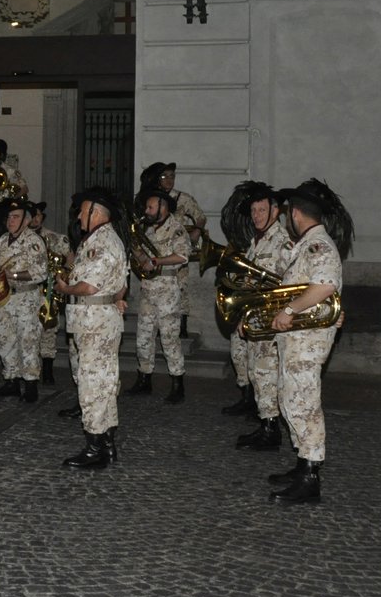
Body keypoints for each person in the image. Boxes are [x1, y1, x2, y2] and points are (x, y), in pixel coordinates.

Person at [265, 179, 351, 505]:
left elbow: (325, 286)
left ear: (297, 213)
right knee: (291, 400)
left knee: (305, 404)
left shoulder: (318, 245)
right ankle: (302, 465)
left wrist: (288, 309)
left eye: (289, 213)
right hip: (297, 339)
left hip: (307, 340)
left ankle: (310, 478)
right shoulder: (305, 245)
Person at [56, 188, 130, 468]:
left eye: (81, 210)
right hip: (97, 320)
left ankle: (94, 448)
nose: (78, 215)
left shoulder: (104, 243)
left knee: (93, 385)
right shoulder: (100, 240)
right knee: (105, 384)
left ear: (96, 212)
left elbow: (88, 286)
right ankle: (107, 445)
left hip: (96, 322)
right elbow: (121, 284)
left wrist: (65, 288)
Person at [219, 182, 294, 449]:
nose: (257, 216)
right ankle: (265, 424)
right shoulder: (256, 240)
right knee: (256, 372)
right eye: (253, 211)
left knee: (266, 374)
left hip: (271, 320)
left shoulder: (282, 241)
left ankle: (271, 431)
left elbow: (288, 284)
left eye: (262, 210)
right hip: (256, 318)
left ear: (276, 210)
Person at [126, 185, 191, 403]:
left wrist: (156, 261)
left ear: (163, 207)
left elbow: (182, 256)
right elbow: (142, 256)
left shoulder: (177, 229)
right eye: (147, 206)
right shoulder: (148, 229)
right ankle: (144, 379)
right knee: (143, 337)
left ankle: (177, 383)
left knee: (169, 338)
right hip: (148, 289)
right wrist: (136, 251)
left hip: (167, 289)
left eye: (151, 206)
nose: (147, 209)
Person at [0, 196, 49, 402]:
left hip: (26, 298)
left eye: (15, 217)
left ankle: (30, 384)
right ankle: (11, 380)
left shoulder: (34, 242)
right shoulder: (3, 241)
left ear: (26, 220)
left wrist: (12, 276)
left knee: (28, 341)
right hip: (5, 299)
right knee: (5, 339)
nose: (10, 221)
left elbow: (41, 273)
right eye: (9, 217)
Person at [29, 201, 71, 384]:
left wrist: (63, 276)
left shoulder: (56, 238)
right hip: (28, 292)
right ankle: (29, 371)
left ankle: (47, 370)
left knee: (48, 330)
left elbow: (70, 260)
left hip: (47, 291)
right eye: (32, 215)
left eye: (38, 215)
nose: (35, 219)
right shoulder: (21, 240)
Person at [139, 161, 206, 248]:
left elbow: (201, 217)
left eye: (172, 176)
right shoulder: (148, 198)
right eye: (164, 176)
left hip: (178, 247)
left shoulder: (184, 198)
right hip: (154, 247)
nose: (169, 179)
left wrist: (197, 232)